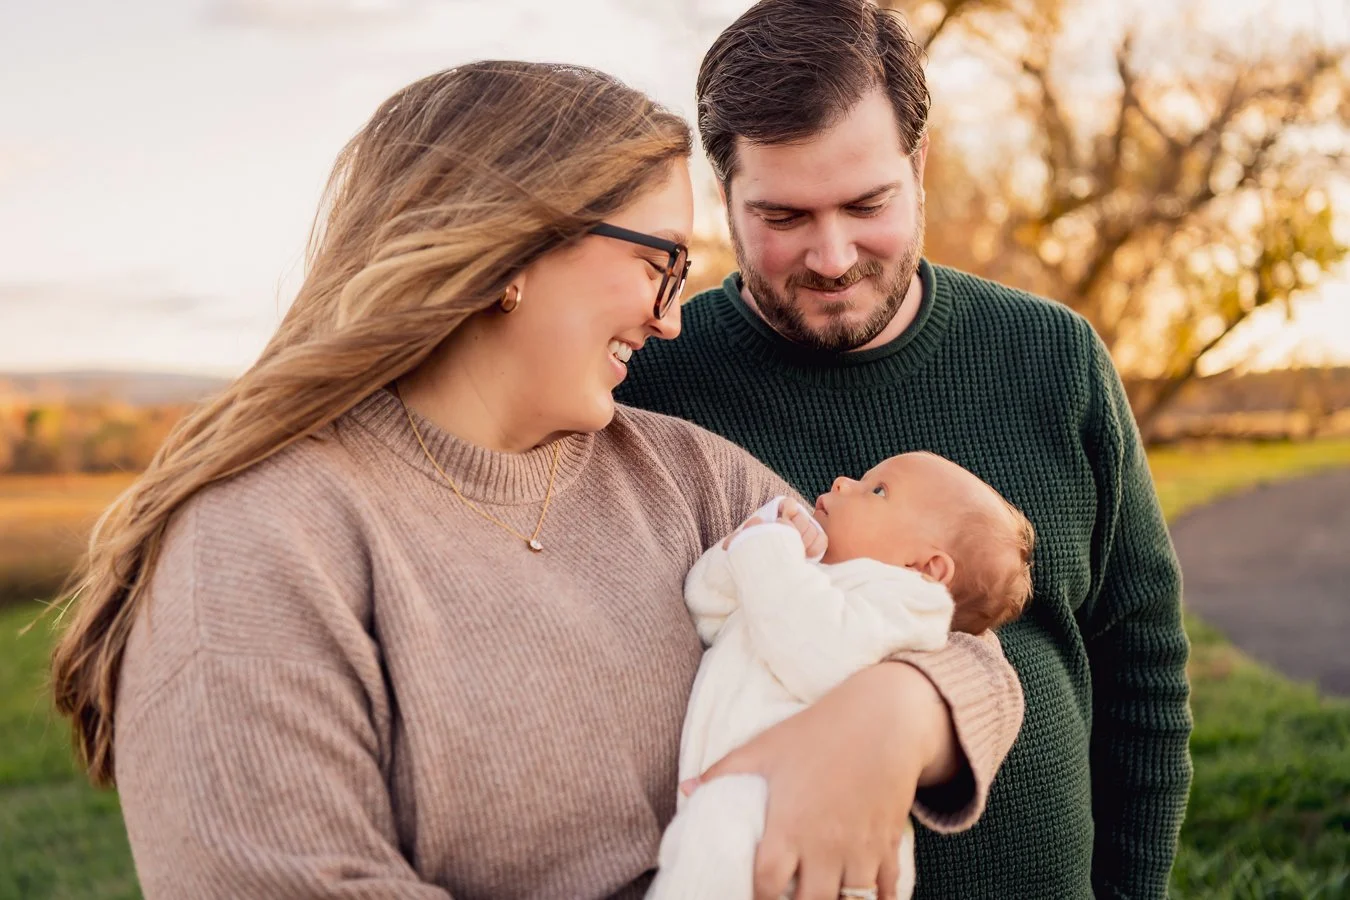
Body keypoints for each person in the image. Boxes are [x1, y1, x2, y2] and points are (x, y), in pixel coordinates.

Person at [47, 61, 1023, 900]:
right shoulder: (263, 541)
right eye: (660, 264)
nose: (671, 318)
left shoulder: (684, 477)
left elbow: (950, 631)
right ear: (516, 251)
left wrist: (894, 716)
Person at [615, 1, 1193, 897]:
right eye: (784, 215)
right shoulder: (647, 380)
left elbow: (1139, 662)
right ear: (721, 197)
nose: (833, 256)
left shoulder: (1053, 358)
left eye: (866, 203)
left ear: (918, 168)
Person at [650, 452, 1034, 900]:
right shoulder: (805, 578)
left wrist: (769, 554)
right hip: (740, 804)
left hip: (813, 825)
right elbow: (706, 610)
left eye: (878, 491)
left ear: (926, 568)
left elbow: (818, 656)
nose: (841, 482)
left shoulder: (907, 605)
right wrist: (749, 540)